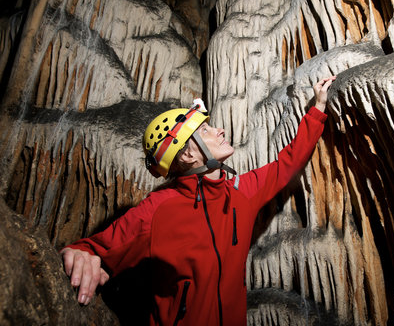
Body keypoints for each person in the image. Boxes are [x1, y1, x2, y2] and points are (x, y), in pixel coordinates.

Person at [60, 76, 336, 325]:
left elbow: (287, 164)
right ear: (187, 156)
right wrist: (80, 255)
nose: (219, 131)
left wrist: (317, 108)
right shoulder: (158, 210)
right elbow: (96, 248)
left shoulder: (241, 192)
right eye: (205, 131)